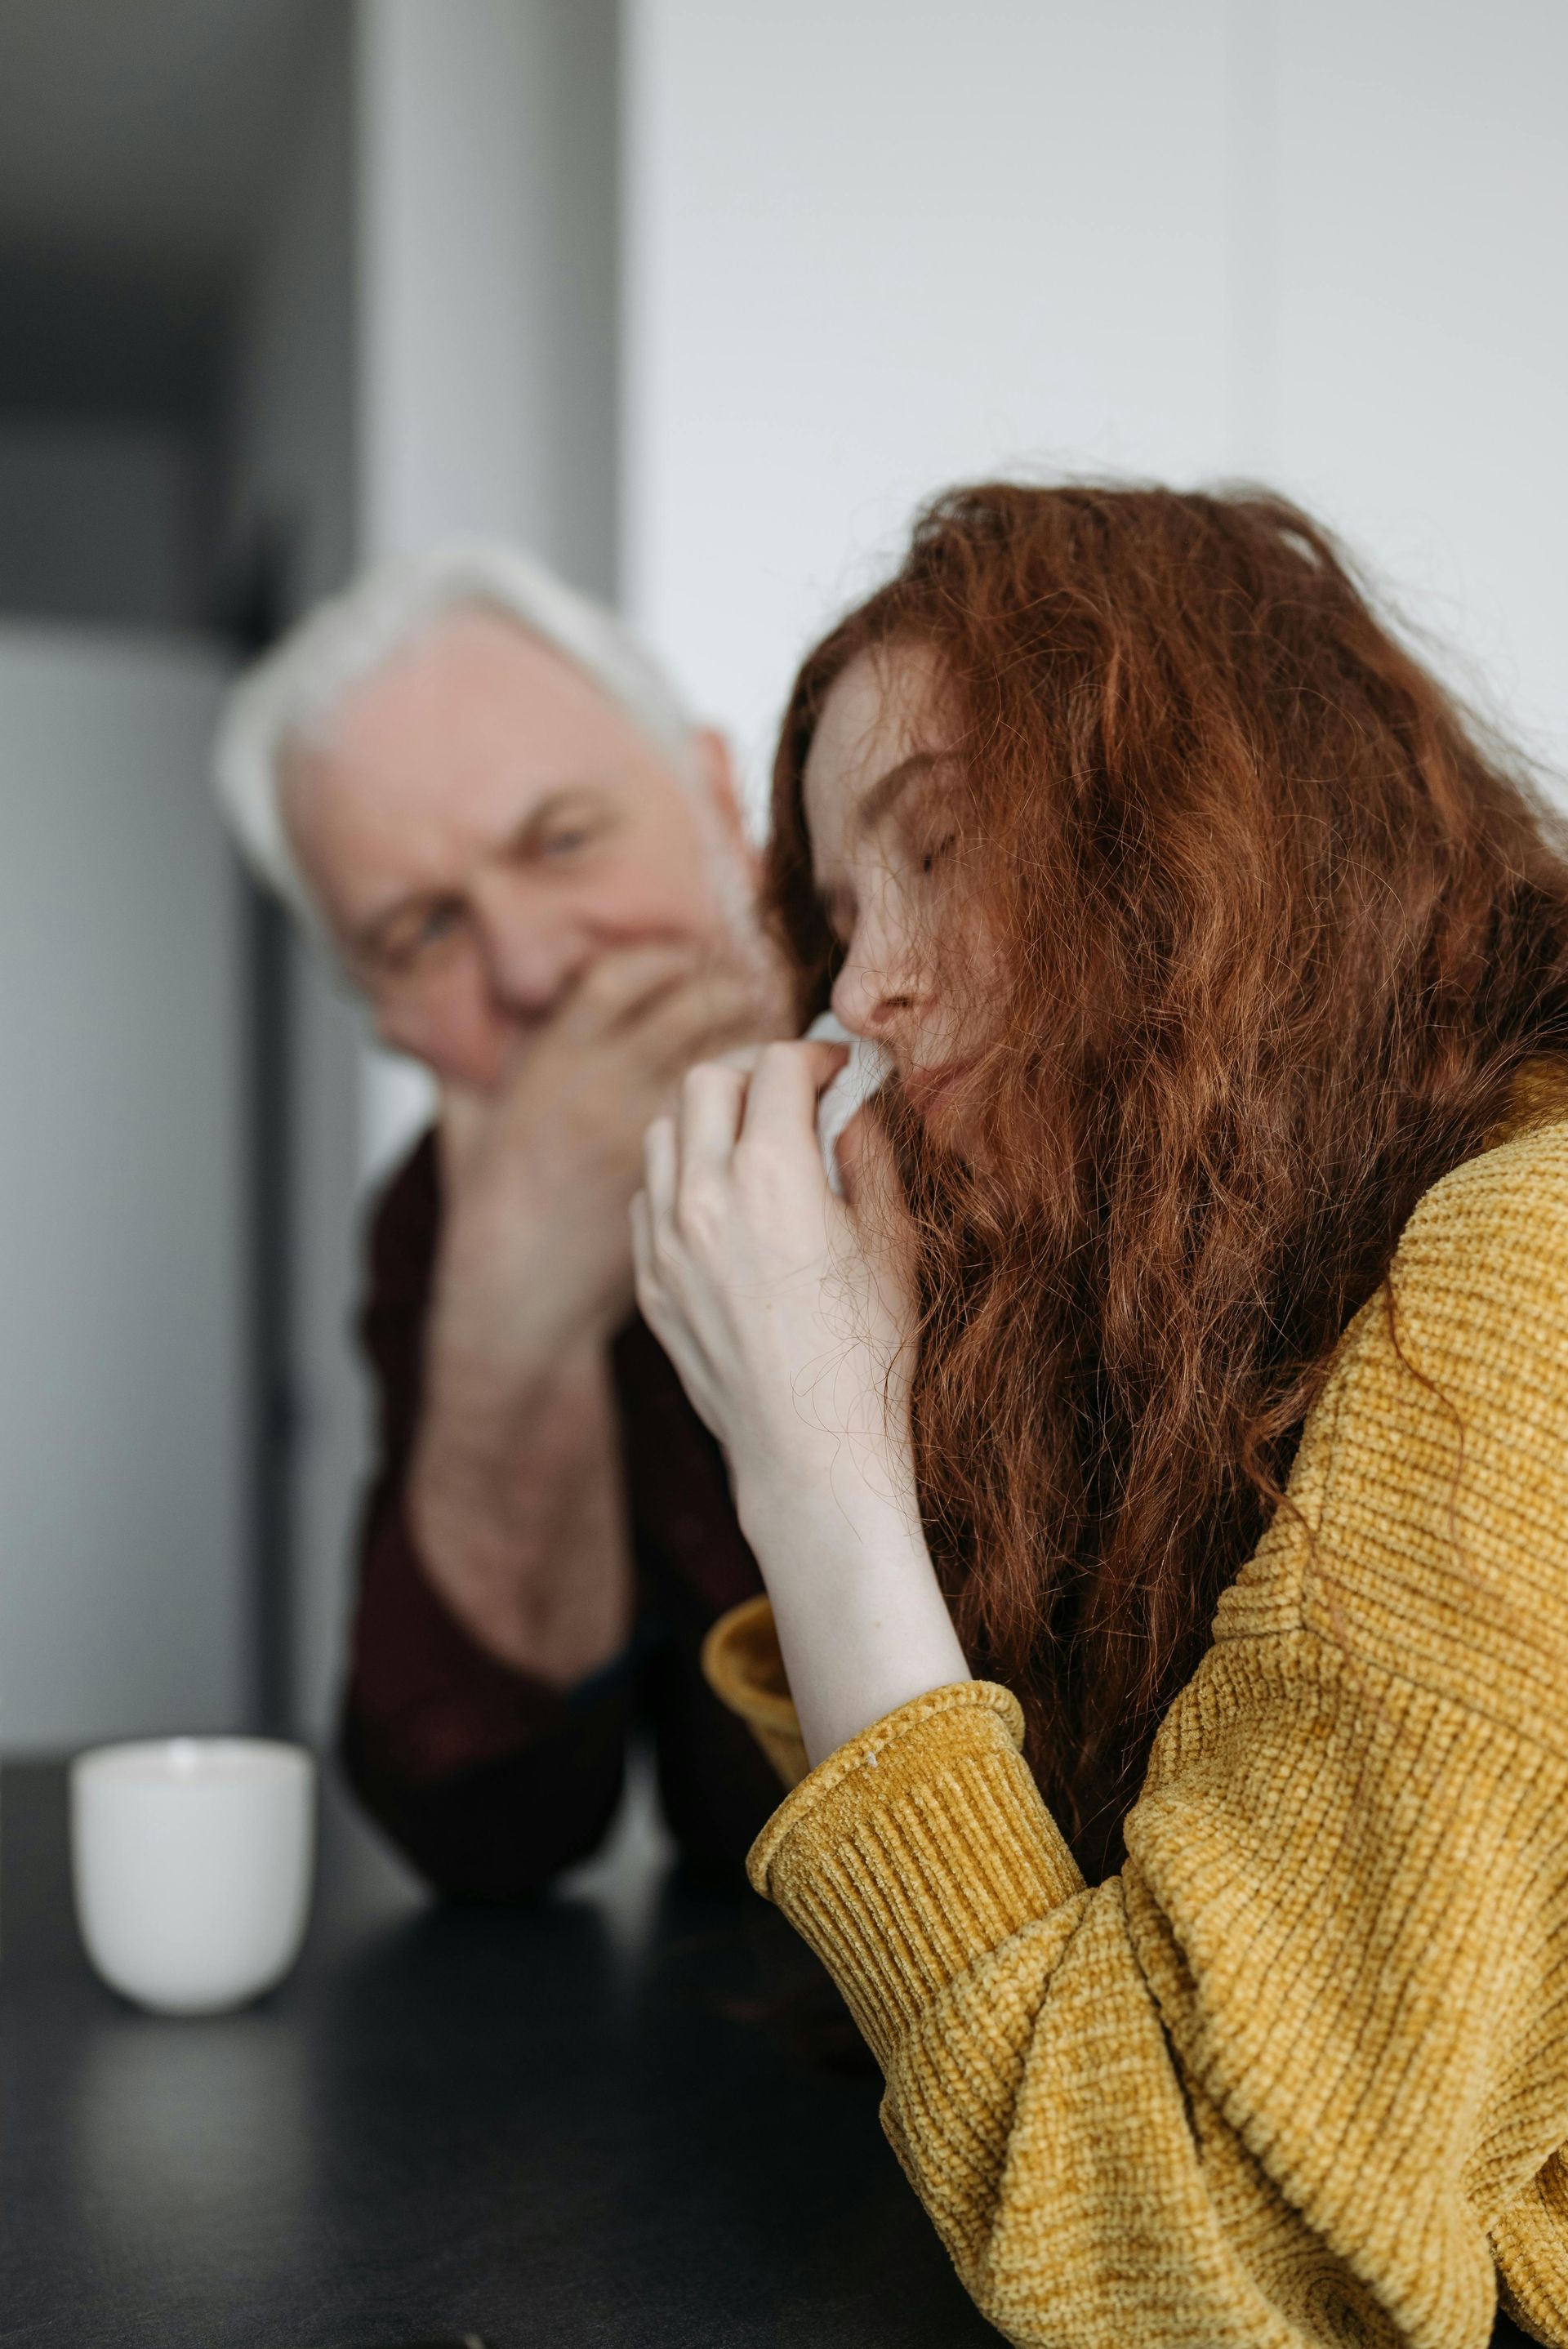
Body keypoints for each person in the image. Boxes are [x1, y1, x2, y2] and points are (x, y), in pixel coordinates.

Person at [633, 484, 1568, 2344]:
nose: (862, 989)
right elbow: (1046, 1951)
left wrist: (820, 1472)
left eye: (944, 844)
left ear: (1209, 842)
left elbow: (1195, 2258)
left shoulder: (1530, 1269)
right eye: (831, 913)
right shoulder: (1217, 1318)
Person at [213, 544, 788, 1895]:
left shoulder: (975, 1052)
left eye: (564, 840)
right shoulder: (444, 1215)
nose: (533, 968)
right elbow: (491, 1829)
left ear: (715, 797)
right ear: (384, 1022)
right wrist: (516, 1318)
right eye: (422, 932)